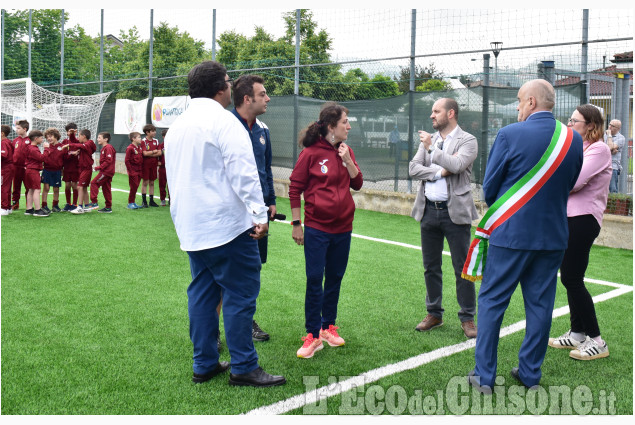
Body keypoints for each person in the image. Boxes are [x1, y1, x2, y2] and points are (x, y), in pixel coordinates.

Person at [164, 60, 285, 387]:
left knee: (202, 295)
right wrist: (260, 215)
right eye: (229, 82)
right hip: (227, 228)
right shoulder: (224, 122)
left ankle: (204, 363)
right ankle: (244, 366)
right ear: (220, 88)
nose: (232, 87)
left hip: (191, 228)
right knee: (240, 294)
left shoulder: (177, 126)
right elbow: (244, 174)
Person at [467, 79, 583, 394]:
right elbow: (570, 183)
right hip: (554, 237)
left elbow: (490, 189)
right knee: (541, 306)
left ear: (531, 102)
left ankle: (484, 377)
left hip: (511, 235)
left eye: (519, 101)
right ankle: (530, 374)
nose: (517, 107)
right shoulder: (572, 139)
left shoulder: (508, 135)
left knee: (492, 302)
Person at [289, 102, 364, 359]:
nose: (349, 126)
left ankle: (327, 327)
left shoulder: (346, 151)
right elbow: (294, 188)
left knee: (335, 278)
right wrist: (297, 224)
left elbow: (358, 183)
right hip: (317, 229)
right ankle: (312, 335)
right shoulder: (310, 153)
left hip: (343, 228)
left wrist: (347, 161)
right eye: (345, 122)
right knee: (314, 279)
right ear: (332, 126)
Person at [409, 98, 478, 339]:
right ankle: (434, 313)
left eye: (436, 111)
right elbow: (413, 168)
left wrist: (431, 150)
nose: (432, 115)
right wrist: (439, 171)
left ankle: (467, 317)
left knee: (462, 268)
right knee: (431, 267)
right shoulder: (432, 139)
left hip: (455, 213)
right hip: (428, 211)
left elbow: (458, 165)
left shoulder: (467, 140)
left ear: (450, 113)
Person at [548, 104, 611, 360]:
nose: (569, 124)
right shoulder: (578, 147)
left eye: (574, 120)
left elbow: (573, 182)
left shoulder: (599, 149)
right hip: (568, 218)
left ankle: (597, 340)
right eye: (569, 119)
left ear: (591, 126)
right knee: (570, 276)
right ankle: (576, 334)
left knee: (572, 278)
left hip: (584, 219)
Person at [231, 74, 276, 343]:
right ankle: (212, 330)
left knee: (252, 269)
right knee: (224, 272)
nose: (267, 98)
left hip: (258, 213)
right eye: (263, 94)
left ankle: (246, 320)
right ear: (247, 98)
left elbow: (265, 170)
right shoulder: (226, 127)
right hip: (232, 213)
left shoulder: (263, 130)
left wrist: (270, 201)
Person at [65, 129, 96, 214]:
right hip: (83, 169)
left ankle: (80, 207)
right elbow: (76, 142)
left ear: (84, 136)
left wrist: (69, 144)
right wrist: (71, 135)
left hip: (86, 169)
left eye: (79, 136)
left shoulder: (89, 143)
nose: (78, 138)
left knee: (79, 187)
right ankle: (87, 206)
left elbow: (80, 145)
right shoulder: (84, 144)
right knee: (84, 188)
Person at [23, 130, 51, 217]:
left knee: (31, 189)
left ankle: (29, 208)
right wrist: (46, 148)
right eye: (41, 138)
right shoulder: (33, 149)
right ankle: (38, 210)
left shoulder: (29, 147)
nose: (42, 140)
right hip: (33, 171)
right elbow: (42, 158)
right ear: (36, 138)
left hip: (29, 170)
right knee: (37, 189)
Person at [89, 132, 116, 213]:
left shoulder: (108, 147)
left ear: (106, 139)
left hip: (106, 172)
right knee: (106, 189)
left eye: (99, 137)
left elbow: (108, 161)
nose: (98, 139)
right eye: (98, 137)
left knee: (94, 183)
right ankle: (108, 207)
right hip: (108, 172)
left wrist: (97, 168)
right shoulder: (104, 148)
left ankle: (94, 202)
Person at [41, 128, 65, 213]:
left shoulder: (62, 147)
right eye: (47, 137)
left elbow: (64, 159)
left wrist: (62, 169)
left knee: (56, 189)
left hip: (57, 171)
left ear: (56, 136)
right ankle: (44, 206)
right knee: (46, 188)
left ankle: (55, 206)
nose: (49, 138)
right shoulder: (47, 147)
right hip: (47, 170)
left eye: (50, 136)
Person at [11, 120, 30, 210]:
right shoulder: (15, 141)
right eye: (16, 128)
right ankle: (15, 203)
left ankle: (28, 203)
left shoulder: (30, 140)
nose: (16, 130)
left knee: (28, 186)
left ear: (25, 129)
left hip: (27, 167)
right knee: (16, 186)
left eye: (18, 128)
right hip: (16, 167)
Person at [61, 123, 80, 212]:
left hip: (75, 167)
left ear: (76, 131)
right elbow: (62, 154)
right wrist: (69, 155)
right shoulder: (64, 142)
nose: (70, 132)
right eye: (69, 131)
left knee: (74, 185)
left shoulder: (78, 141)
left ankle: (75, 204)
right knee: (67, 185)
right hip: (67, 167)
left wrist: (76, 153)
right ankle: (68, 203)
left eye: (72, 131)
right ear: (66, 132)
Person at [141, 124, 160, 208]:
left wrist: (150, 153)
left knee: (152, 182)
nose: (154, 132)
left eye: (154, 131)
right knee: (145, 182)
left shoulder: (156, 141)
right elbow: (144, 154)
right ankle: (144, 201)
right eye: (152, 131)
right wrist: (154, 152)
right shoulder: (143, 141)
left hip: (154, 165)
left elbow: (159, 152)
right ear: (147, 132)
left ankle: (151, 201)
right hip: (145, 165)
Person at [604, 119, 625, 193]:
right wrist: (611, 149)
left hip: (613, 166)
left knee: (613, 189)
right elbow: (603, 148)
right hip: (603, 165)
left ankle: (614, 204)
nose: (609, 127)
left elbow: (609, 147)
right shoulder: (604, 135)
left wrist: (609, 136)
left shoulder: (621, 138)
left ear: (618, 128)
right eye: (609, 124)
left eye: (613, 126)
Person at [125, 132, 144, 209]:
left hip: (139, 170)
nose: (140, 139)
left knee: (136, 187)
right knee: (133, 187)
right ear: (133, 139)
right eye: (139, 137)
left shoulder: (139, 148)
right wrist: (131, 171)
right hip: (133, 171)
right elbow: (127, 160)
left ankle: (133, 202)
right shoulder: (130, 148)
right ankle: (130, 203)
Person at [1, 125, 15, 216]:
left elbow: (3, 155)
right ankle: (8, 207)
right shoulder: (8, 142)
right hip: (10, 167)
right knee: (7, 187)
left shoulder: (3, 142)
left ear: (2, 133)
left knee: (3, 187)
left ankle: (4, 207)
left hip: (6, 167)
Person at [158, 129, 168, 206]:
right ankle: (163, 199)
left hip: (172, 169)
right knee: (162, 184)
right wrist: (157, 162)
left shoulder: (174, 145)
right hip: (163, 168)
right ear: (163, 136)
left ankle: (172, 199)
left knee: (172, 185)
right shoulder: (160, 146)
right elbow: (157, 155)